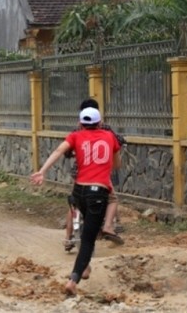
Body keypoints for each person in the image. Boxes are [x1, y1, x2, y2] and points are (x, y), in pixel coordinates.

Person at [30, 107, 122, 296]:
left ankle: (84, 265)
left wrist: (42, 171)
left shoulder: (75, 136)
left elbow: (58, 151)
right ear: (100, 122)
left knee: (88, 232)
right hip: (98, 193)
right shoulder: (110, 137)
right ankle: (74, 280)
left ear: (80, 123)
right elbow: (117, 164)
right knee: (88, 239)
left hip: (79, 191)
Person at [63, 98, 126, 250]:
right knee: (112, 198)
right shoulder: (105, 128)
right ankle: (109, 226)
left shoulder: (78, 128)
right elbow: (119, 141)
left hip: (79, 173)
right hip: (100, 173)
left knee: (75, 203)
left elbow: (66, 151)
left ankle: (67, 238)